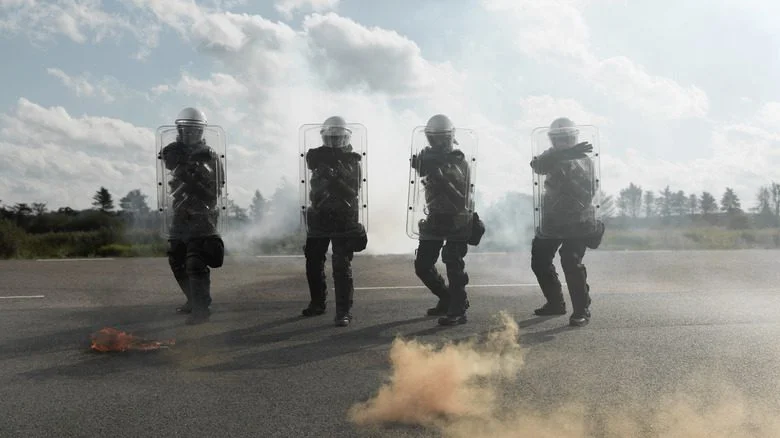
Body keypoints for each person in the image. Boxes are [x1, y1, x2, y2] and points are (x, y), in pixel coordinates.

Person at [529, 117, 604, 327]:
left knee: (570, 260)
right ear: (552, 140)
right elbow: (537, 166)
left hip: (578, 221)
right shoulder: (550, 156)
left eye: (566, 138)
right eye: (558, 139)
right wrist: (562, 155)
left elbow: (589, 190)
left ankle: (582, 310)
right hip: (552, 221)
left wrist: (568, 159)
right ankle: (555, 303)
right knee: (539, 260)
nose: (562, 142)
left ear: (573, 137)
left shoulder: (584, 159)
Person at [410, 114, 484, 326]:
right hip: (434, 217)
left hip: (457, 218)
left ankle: (458, 310)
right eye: (434, 138)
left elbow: (460, 191)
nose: (439, 142)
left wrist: (439, 172)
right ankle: (447, 298)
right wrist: (422, 164)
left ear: (450, 137)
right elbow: (421, 169)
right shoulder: (427, 157)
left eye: (443, 138)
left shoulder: (458, 159)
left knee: (453, 263)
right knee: (423, 265)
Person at [159, 107, 226, 325]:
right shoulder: (174, 151)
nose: (190, 133)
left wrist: (199, 184)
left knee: (195, 261)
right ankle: (192, 299)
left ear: (201, 131)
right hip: (179, 214)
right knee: (176, 259)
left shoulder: (210, 156)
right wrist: (187, 168)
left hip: (202, 216)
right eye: (186, 129)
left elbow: (217, 188)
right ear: (180, 129)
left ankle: (201, 308)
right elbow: (168, 159)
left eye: (194, 130)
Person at [301, 116, 368, 327]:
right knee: (313, 261)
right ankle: (317, 303)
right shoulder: (315, 158)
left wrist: (336, 179)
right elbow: (311, 189)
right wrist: (325, 177)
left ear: (345, 137)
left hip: (343, 219)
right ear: (324, 136)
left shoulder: (353, 161)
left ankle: (343, 312)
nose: (334, 140)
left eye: (338, 137)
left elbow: (353, 191)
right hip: (319, 217)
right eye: (331, 137)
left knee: (341, 264)